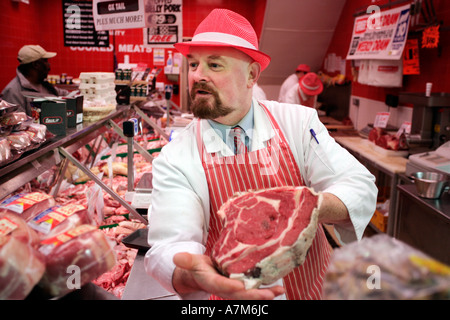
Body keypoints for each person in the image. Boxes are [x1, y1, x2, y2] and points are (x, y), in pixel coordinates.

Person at [144, 8, 377, 300]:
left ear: (252, 75)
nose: (197, 76)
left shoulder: (298, 122)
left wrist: (306, 205)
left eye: (214, 65)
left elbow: (359, 184)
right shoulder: (175, 157)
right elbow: (170, 245)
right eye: (193, 64)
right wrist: (195, 274)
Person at [1, 45, 69, 116]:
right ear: (36, 64)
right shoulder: (13, 92)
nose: (49, 65)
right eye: (45, 61)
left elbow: (65, 95)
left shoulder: (43, 84)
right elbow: (17, 123)